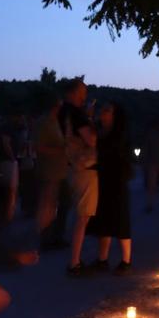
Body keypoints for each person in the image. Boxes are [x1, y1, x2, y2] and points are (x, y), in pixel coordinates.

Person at [86, 102, 133, 272]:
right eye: (103, 110)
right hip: (103, 180)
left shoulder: (119, 134)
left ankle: (126, 261)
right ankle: (102, 259)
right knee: (103, 219)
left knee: (120, 219)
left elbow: (114, 155)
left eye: (107, 111)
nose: (103, 113)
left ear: (114, 116)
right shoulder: (100, 131)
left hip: (117, 181)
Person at [59, 79, 98, 274]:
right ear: (73, 92)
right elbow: (90, 140)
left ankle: (75, 260)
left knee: (81, 214)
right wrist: (91, 122)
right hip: (84, 167)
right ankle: (74, 263)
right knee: (83, 216)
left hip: (70, 166)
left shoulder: (62, 112)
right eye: (83, 91)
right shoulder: (76, 114)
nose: (86, 94)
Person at [33, 95, 68, 248]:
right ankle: (45, 239)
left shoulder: (56, 122)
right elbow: (39, 147)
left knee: (61, 204)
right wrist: (61, 150)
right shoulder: (44, 123)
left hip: (60, 171)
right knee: (48, 206)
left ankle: (56, 236)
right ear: (54, 107)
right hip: (49, 172)